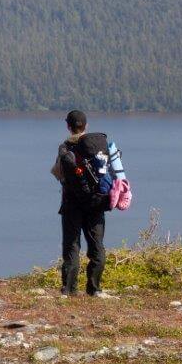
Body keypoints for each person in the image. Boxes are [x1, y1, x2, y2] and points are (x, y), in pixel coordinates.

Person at [50, 109, 126, 297]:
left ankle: (69, 290)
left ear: (68, 126)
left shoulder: (65, 147)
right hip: (97, 203)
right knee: (97, 246)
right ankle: (94, 288)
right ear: (86, 126)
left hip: (72, 204)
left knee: (72, 246)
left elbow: (58, 174)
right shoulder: (100, 145)